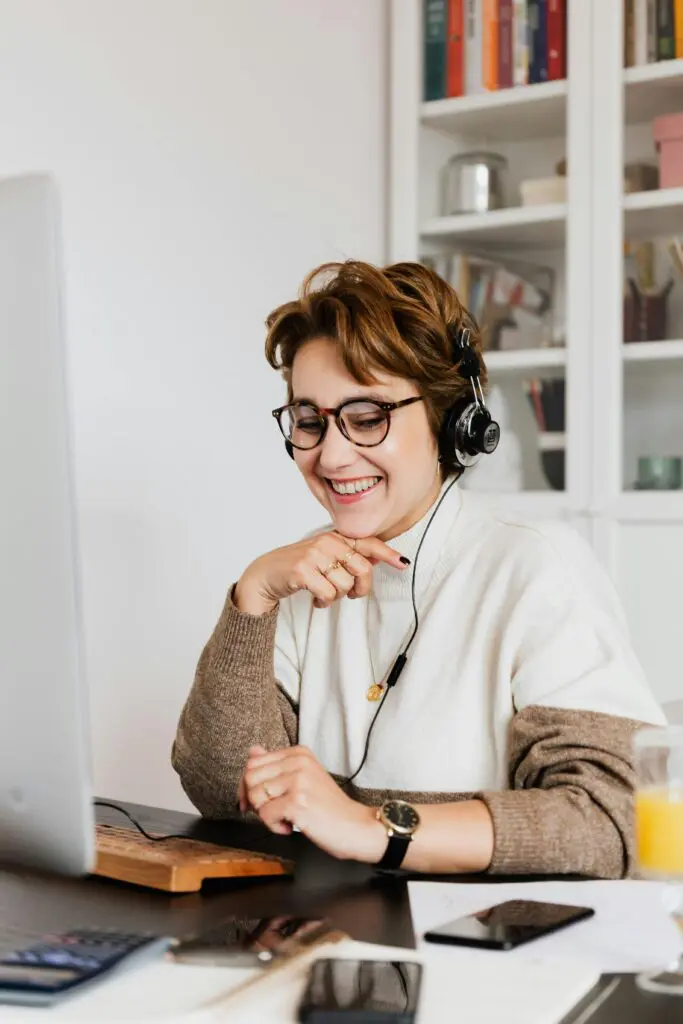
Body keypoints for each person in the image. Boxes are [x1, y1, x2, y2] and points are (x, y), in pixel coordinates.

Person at [172, 260, 664, 878]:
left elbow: (612, 820)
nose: (331, 453)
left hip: (498, 952)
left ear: (449, 419)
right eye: (308, 420)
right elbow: (222, 794)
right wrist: (254, 596)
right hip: (339, 941)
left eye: (368, 416)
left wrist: (377, 829)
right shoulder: (304, 574)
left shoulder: (535, 565)